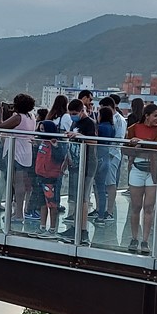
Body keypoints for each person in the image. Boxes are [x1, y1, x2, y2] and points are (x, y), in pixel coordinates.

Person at [125, 103, 157, 253]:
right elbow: (124, 148)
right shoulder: (133, 128)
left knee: (149, 207)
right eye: (155, 115)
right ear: (147, 116)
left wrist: (141, 144)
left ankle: (145, 240)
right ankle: (134, 237)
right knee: (136, 206)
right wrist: (133, 146)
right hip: (136, 169)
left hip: (153, 172)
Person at [58, 99, 97, 245]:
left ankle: (83, 230)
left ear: (82, 110)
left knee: (84, 198)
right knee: (75, 197)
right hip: (75, 163)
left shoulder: (89, 123)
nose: (73, 116)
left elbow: (94, 142)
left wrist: (82, 137)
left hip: (87, 164)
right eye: (71, 114)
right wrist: (66, 161)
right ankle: (74, 227)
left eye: (75, 113)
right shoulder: (76, 123)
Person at [0, 93, 36, 222]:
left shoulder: (18, 118)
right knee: (21, 183)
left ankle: (18, 214)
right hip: (26, 153)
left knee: (16, 184)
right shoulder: (31, 117)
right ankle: (18, 212)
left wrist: (0, 113)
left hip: (15, 153)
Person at [33, 119, 65, 237]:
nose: (41, 132)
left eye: (43, 130)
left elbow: (59, 158)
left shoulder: (55, 143)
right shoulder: (42, 142)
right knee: (42, 203)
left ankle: (52, 228)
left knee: (52, 204)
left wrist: (55, 146)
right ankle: (42, 226)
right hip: (41, 175)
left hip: (51, 177)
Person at [93, 106, 117, 226]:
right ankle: (102, 215)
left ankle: (99, 212)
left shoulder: (100, 127)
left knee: (98, 188)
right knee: (102, 188)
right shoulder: (112, 127)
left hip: (99, 159)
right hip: (106, 158)